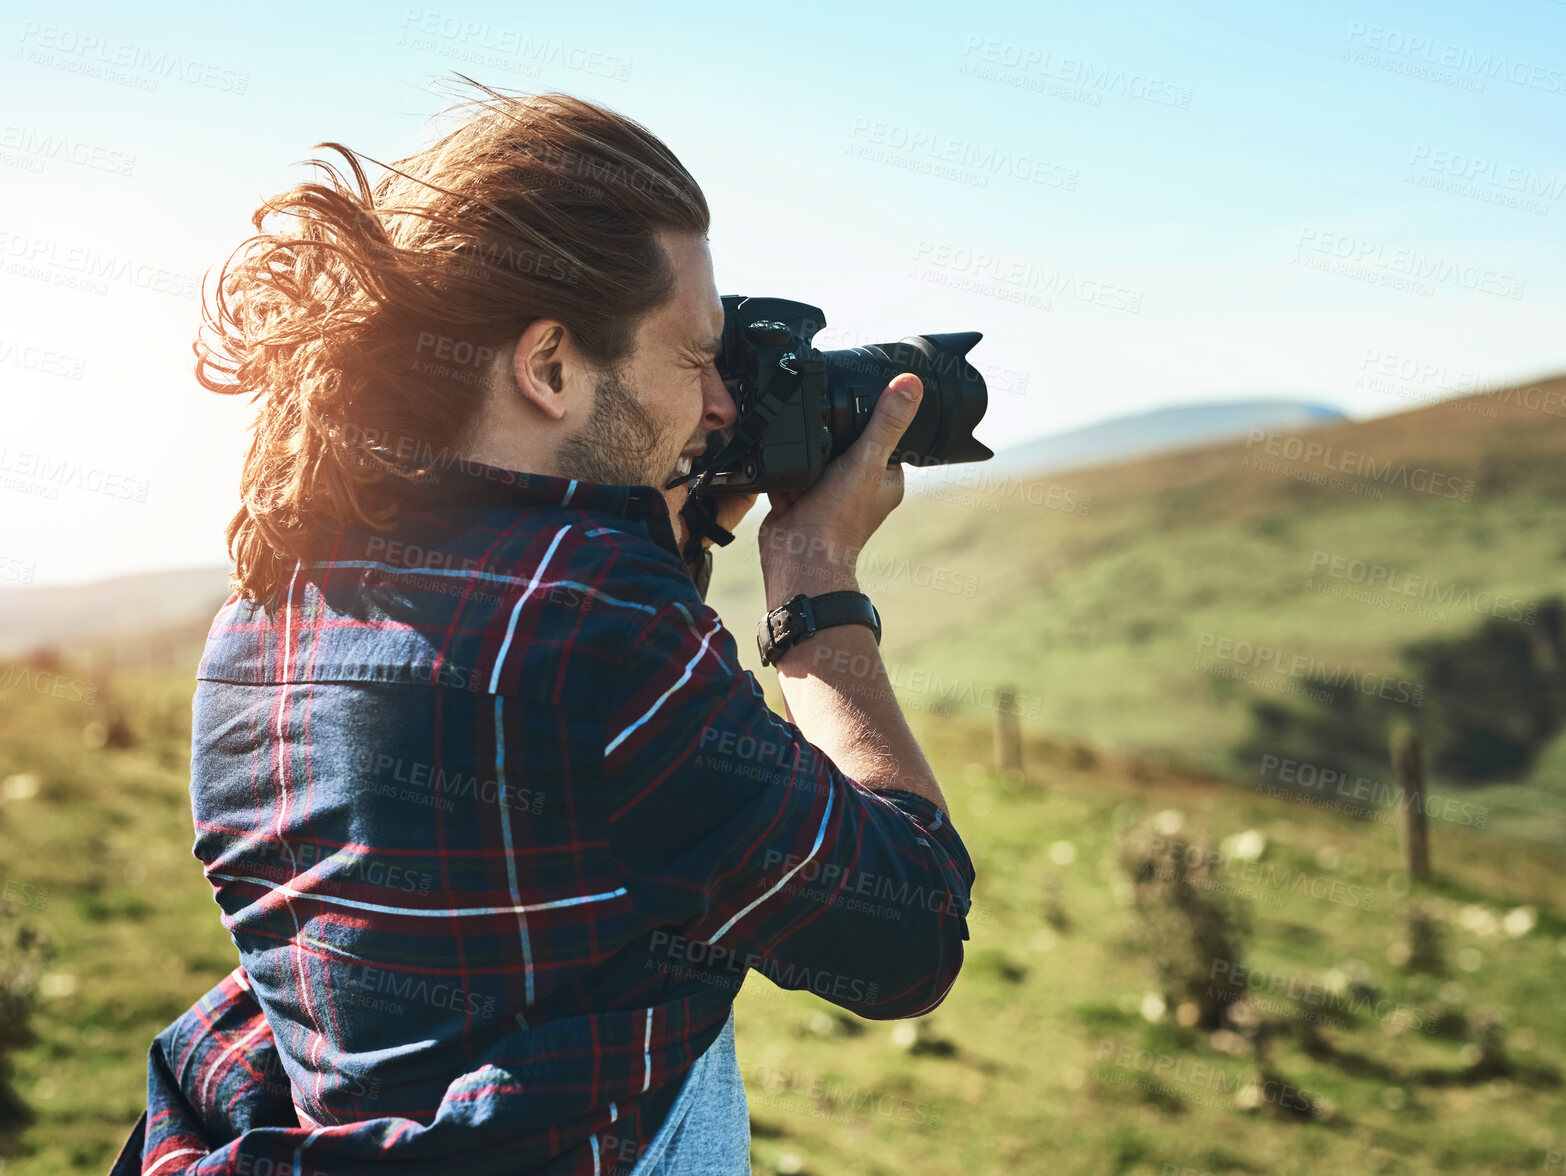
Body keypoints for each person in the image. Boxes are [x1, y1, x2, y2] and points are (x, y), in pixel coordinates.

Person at [109, 79, 974, 1176]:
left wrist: (670, 546)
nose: (719, 404)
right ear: (550, 365)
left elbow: (557, 808)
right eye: (695, 355)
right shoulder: (599, 622)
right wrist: (814, 591)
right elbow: (906, 937)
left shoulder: (265, 608)